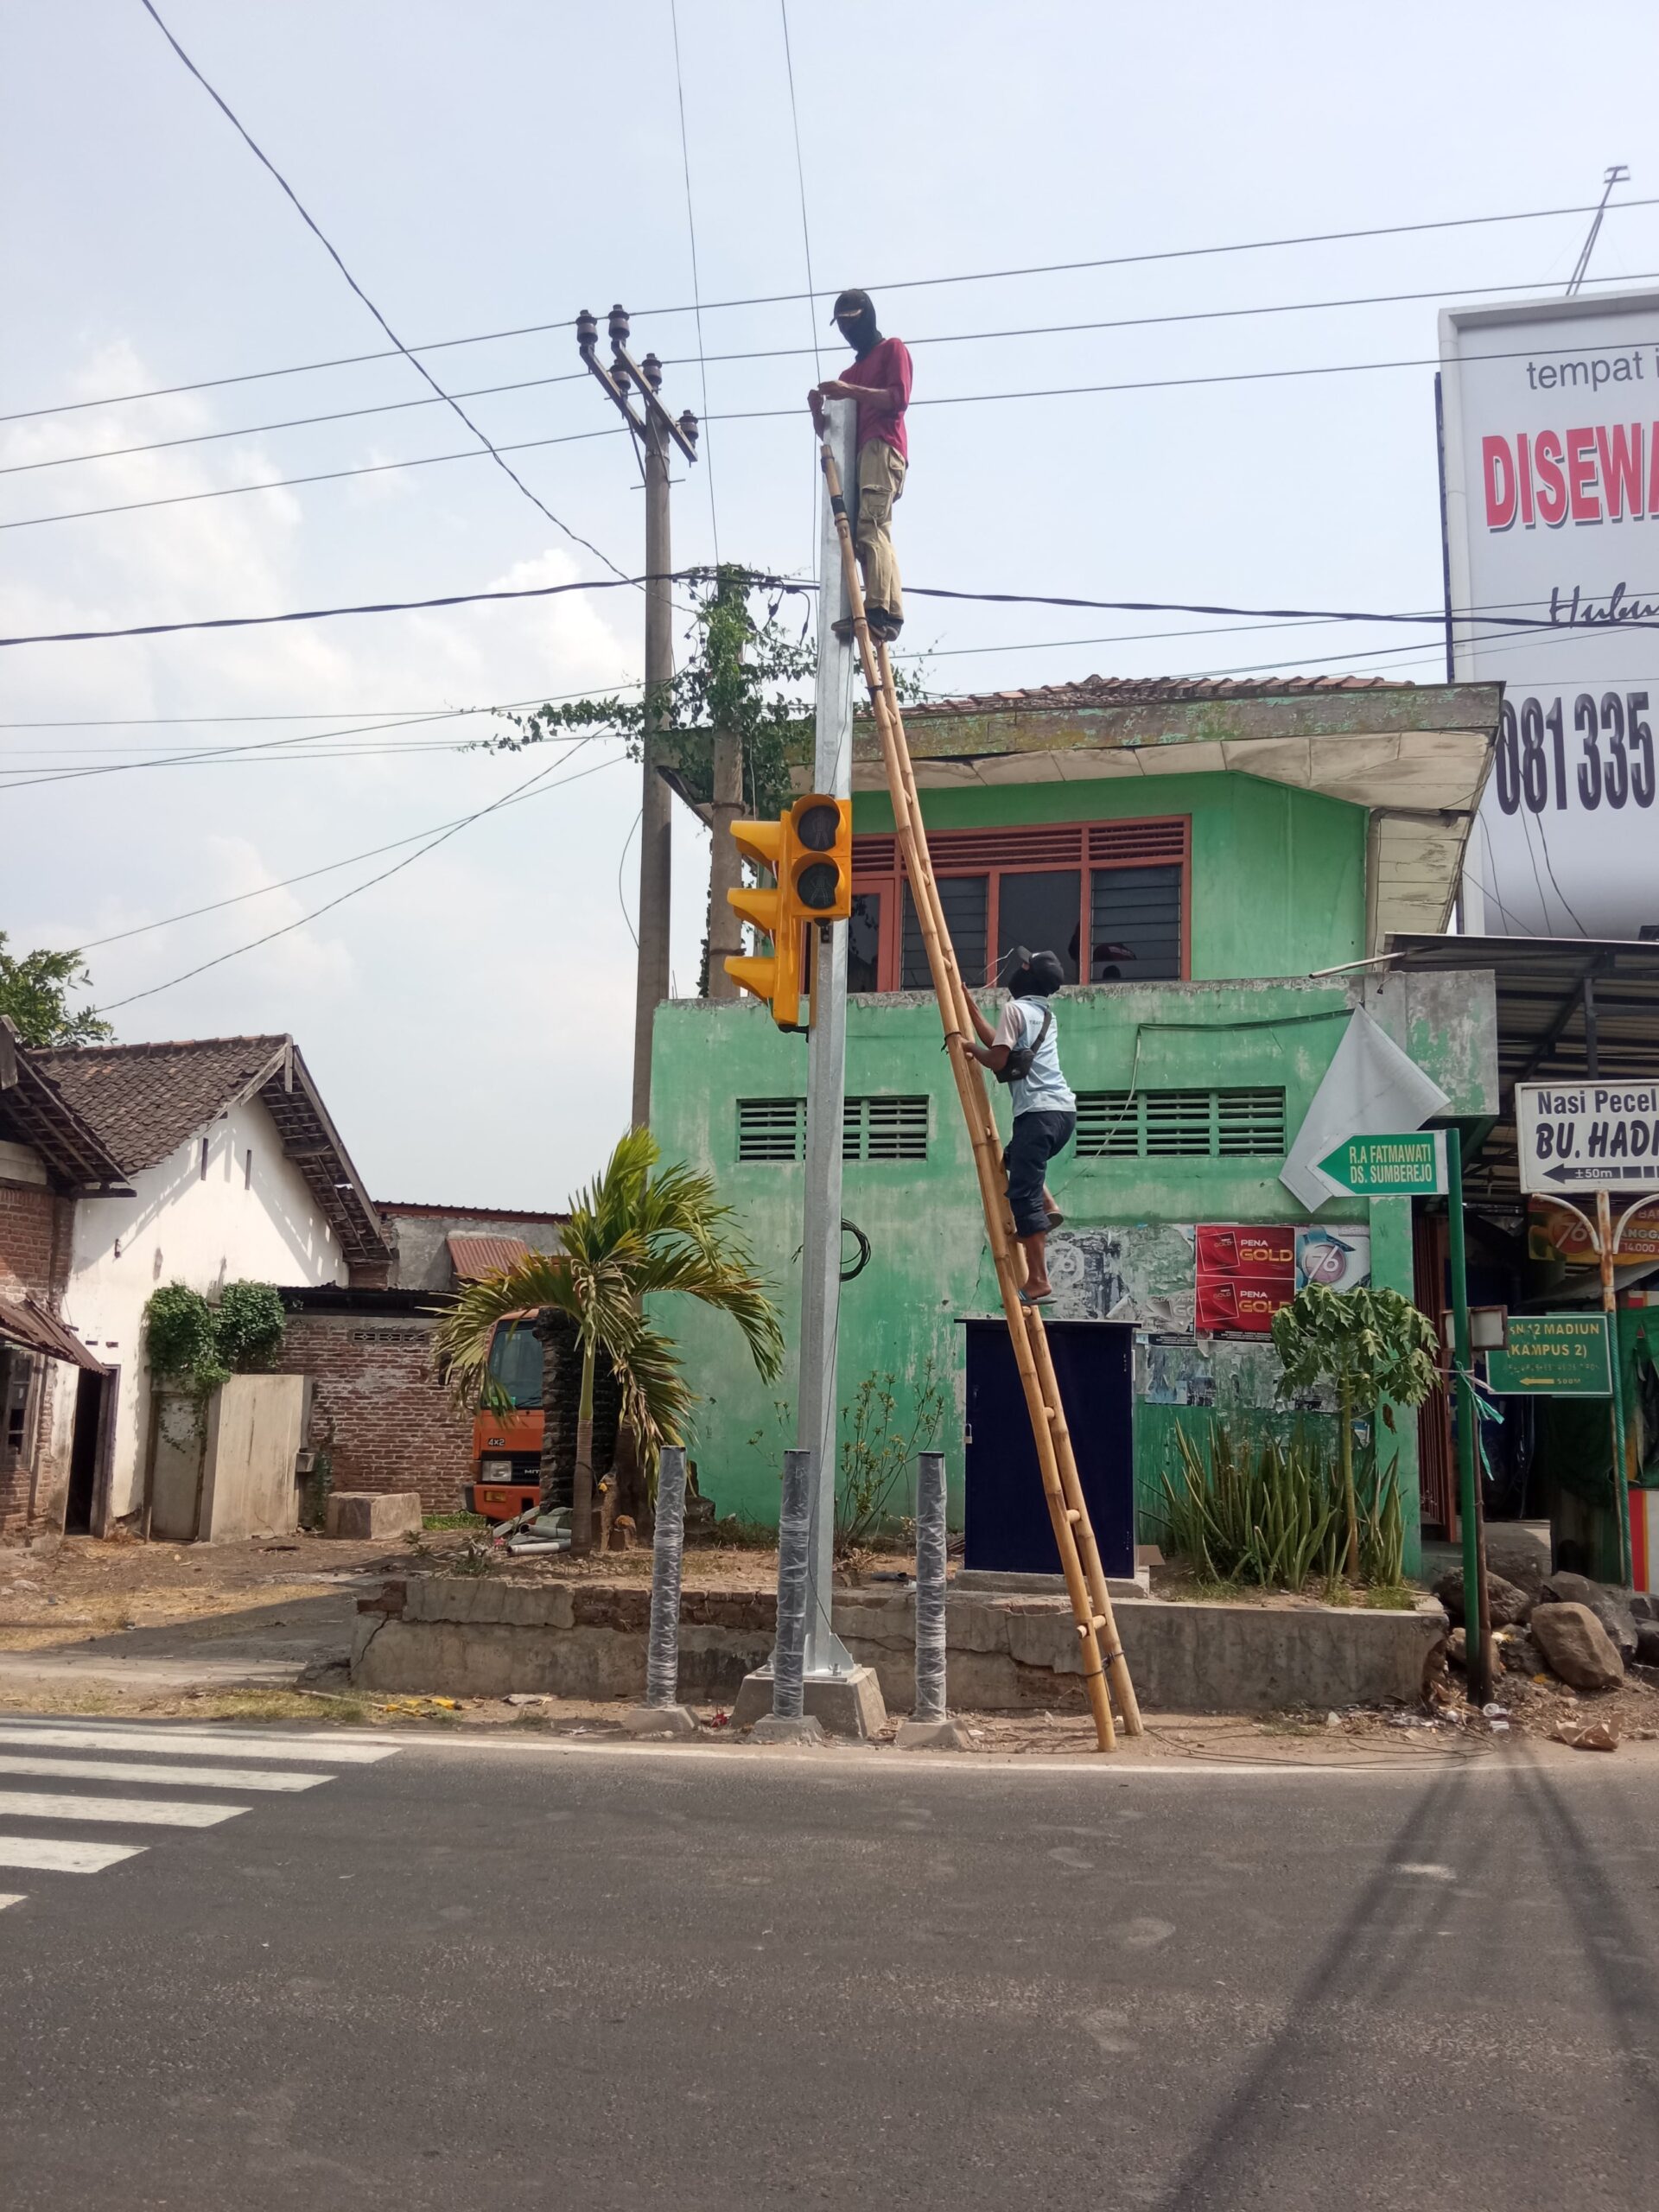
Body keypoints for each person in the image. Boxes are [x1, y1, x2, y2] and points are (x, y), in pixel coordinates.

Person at [962, 949, 1075, 1303]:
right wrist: (971, 1007)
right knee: (1016, 1160)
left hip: (1037, 1115)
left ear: (1027, 973)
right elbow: (1002, 1044)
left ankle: (1039, 1280)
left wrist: (967, 1047)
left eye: (1023, 964)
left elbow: (996, 1058)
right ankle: (1050, 1205)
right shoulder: (1044, 1015)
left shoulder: (1015, 1009)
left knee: (1022, 1199)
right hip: (1062, 1116)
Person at [808, 288, 912, 639]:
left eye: (852, 323)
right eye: (842, 326)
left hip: (882, 447)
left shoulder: (892, 349)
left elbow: (898, 399)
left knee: (872, 527)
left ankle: (877, 609)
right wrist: (816, 411)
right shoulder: (849, 373)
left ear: (866, 317)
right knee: (862, 534)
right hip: (858, 456)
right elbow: (830, 432)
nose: (847, 333)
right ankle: (890, 613)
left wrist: (850, 392)